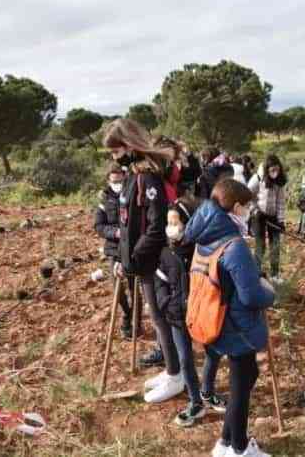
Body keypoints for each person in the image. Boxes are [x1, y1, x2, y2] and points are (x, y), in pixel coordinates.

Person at [184, 178, 275, 457]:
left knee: (245, 379)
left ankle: (225, 443)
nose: (248, 212)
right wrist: (270, 292)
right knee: (241, 386)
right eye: (246, 207)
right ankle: (239, 448)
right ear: (236, 207)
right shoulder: (234, 246)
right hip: (238, 328)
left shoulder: (204, 238)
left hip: (216, 322)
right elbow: (251, 296)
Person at [102, 119, 183, 400]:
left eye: (115, 152)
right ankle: (172, 370)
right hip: (138, 261)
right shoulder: (132, 177)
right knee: (157, 317)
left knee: (161, 318)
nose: (115, 158)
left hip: (152, 261)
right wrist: (122, 258)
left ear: (128, 146)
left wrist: (133, 259)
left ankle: (177, 375)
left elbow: (155, 227)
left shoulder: (148, 179)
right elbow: (126, 227)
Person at [154, 198, 227, 427]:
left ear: (188, 223)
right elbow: (160, 284)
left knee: (213, 353)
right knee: (185, 359)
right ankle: (195, 402)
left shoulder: (202, 249)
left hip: (202, 313)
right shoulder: (165, 253)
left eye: (176, 222)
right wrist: (166, 303)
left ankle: (207, 391)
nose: (171, 227)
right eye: (169, 222)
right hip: (176, 315)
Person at [93, 163, 137, 338]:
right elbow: (98, 225)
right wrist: (115, 232)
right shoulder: (104, 199)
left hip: (132, 248)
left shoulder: (131, 193)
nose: (117, 183)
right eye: (114, 181)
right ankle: (126, 314)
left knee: (135, 287)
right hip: (113, 247)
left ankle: (136, 320)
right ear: (108, 180)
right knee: (117, 289)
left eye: (120, 179)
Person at [248, 155, 287, 280]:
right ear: (266, 169)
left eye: (277, 170)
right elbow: (247, 195)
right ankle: (256, 273)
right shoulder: (257, 178)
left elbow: (280, 201)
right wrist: (254, 210)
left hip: (273, 216)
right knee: (260, 245)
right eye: (272, 170)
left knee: (275, 245)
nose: (274, 173)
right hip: (258, 216)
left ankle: (275, 275)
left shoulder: (279, 182)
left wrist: (281, 220)